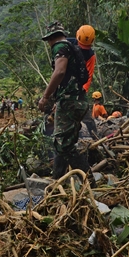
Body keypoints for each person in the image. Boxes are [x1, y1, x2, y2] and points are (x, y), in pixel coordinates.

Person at [37, 22, 93, 183]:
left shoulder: (60, 47)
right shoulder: (72, 47)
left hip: (70, 102)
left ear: (51, 37)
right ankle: (57, 179)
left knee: (64, 145)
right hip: (78, 100)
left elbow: (60, 72)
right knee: (61, 142)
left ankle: (89, 179)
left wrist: (45, 96)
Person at [69, 25, 99, 137]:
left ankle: (95, 137)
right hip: (64, 85)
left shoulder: (90, 55)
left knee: (86, 115)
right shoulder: (68, 44)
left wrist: (82, 90)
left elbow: (89, 75)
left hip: (79, 87)